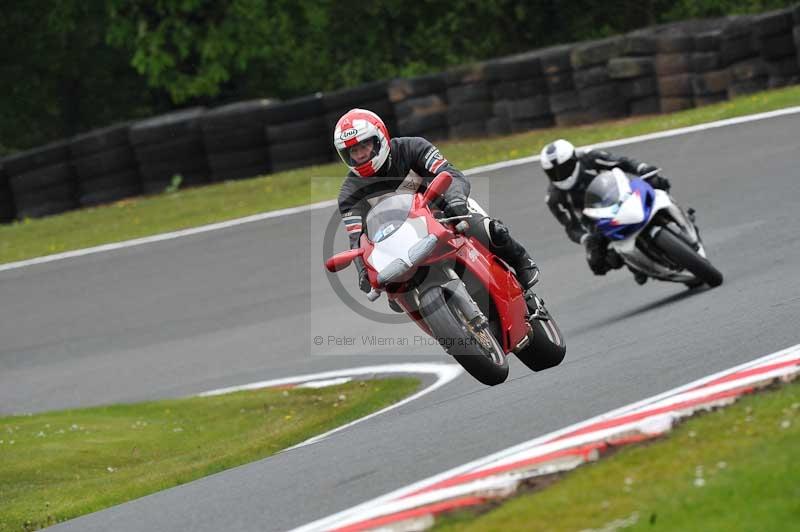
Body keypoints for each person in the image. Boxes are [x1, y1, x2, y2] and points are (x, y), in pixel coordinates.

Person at [335, 108, 539, 308]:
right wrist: (363, 270)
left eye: (365, 145)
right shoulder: (348, 193)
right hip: (397, 244)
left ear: (380, 138)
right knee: (394, 296)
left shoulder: (413, 147)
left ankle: (521, 260)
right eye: (354, 151)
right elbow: (356, 237)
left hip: (443, 215)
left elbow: (451, 174)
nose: (361, 155)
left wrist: (456, 202)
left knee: (486, 229)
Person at [539, 138, 671, 284]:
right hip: (599, 222)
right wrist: (587, 239)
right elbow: (571, 227)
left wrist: (642, 168)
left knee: (658, 185)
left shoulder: (589, 158)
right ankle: (634, 263)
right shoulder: (554, 197)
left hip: (623, 195)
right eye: (553, 172)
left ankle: (674, 216)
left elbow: (621, 162)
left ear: (574, 159)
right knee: (597, 263)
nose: (559, 175)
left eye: (563, 168)